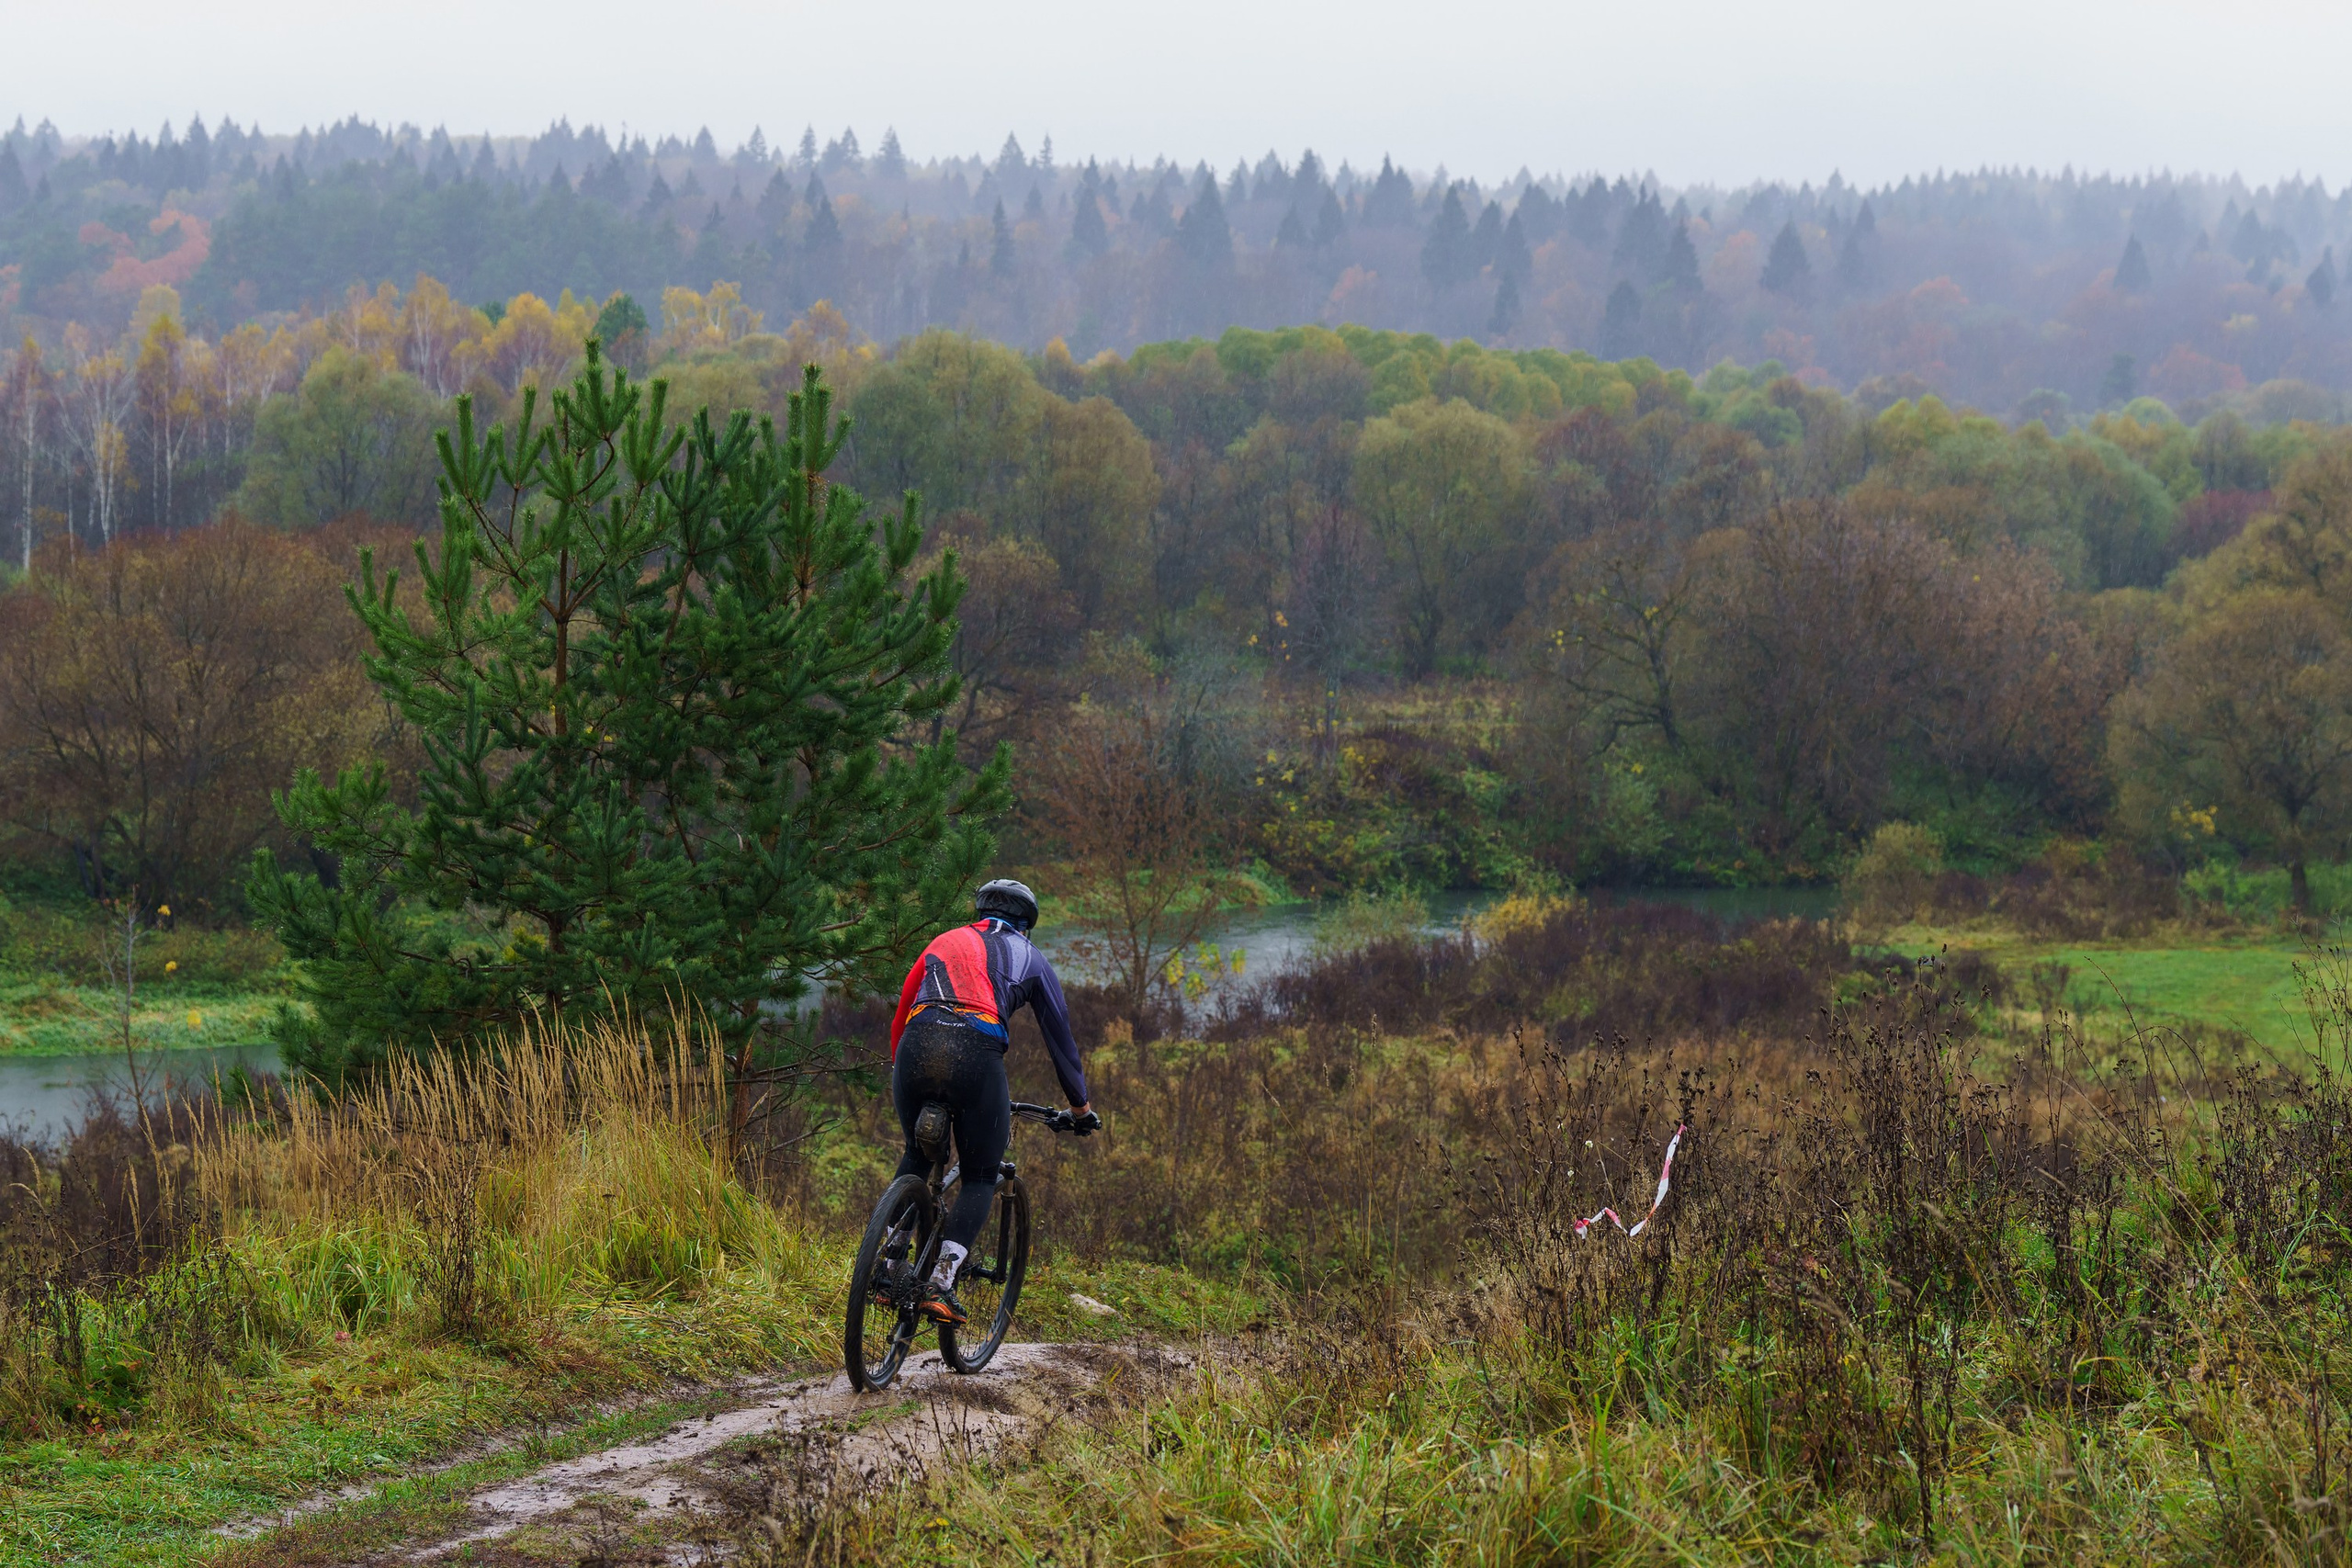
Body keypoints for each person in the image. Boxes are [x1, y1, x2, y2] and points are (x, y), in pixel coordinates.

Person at [888, 878, 1096, 1324]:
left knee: (915, 1155)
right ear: (1027, 925)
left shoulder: (944, 940)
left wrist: (902, 1070)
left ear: (981, 912)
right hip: (976, 1055)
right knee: (982, 1175)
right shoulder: (1031, 958)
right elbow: (1061, 1041)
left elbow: (903, 1008)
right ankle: (941, 1284)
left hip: (915, 1048)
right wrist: (1079, 1108)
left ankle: (887, 1264)